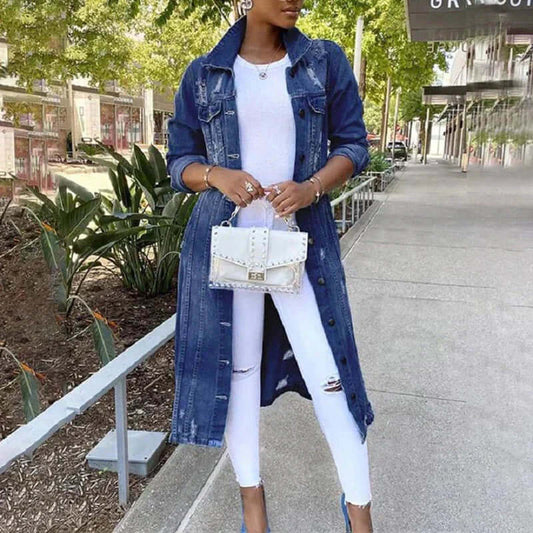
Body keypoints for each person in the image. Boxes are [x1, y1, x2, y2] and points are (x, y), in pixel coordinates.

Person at [166, 2, 375, 532]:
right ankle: (253, 506)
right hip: (228, 247)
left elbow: (353, 145)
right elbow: (179, 161)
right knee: (236, 376)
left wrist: (311, 187)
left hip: (301, 247)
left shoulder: (323, 62)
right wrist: (216, 175)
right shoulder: (204, 73)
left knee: (331, 374)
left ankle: (360, 510)